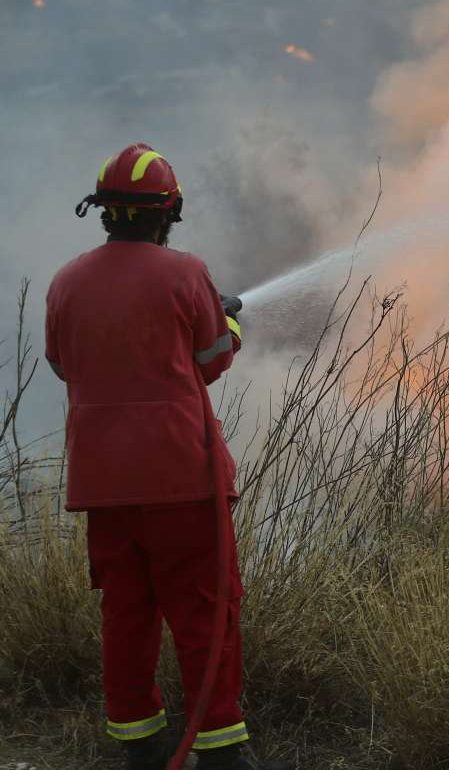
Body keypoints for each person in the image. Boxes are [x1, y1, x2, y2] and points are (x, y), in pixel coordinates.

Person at [45, 143, 283, 770]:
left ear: (101, 211)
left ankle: (139, 743)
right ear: (167, 211)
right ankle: (222, 750)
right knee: (206, 611)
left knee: (126, 610)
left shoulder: (67, 280)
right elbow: (211, 361)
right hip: (182, 479)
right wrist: (227, 322)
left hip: (103, 481)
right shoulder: (185, 274)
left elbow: (64, 365)